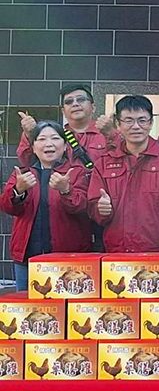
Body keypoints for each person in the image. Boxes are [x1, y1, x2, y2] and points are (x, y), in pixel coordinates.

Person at [1, 122, 91, 291]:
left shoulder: (77, 172)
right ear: (34, 147)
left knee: (67, 303)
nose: (49, 144)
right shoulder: (23, 173)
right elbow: (7, 207)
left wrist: (66, 190)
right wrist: (18, 190)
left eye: (55, 138)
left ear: (65, 146)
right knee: (27, 304)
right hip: (27, 257)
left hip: (68, 257)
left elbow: (83, 207)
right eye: (42, 139)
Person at [88, 95, 159, 252]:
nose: (136, 126)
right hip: (116, 252)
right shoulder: (104, 163)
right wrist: (101, 209)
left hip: (156, 252)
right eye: (128, 121)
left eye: (142, 120)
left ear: (151, 123)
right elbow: (93, 208)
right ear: (118, 124)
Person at [17, 83, 115, 168]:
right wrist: (29, 134)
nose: (75, 104)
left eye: (81, 99)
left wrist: (111, 133)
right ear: (63, 111)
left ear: (93, 107)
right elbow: (27, 162)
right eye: (69, 102)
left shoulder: (106, 133)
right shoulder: (56, 136)